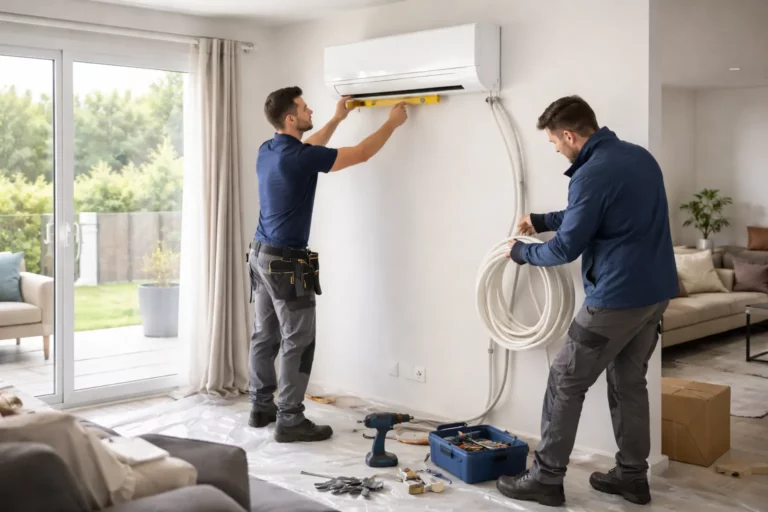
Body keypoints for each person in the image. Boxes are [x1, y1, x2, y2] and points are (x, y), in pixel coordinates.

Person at [497, 96, 678, 507]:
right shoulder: (638, 157)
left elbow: (566, 248)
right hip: (655, 294)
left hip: (616, 298)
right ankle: (632, 477)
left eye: (554, 143)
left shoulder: (591, 173)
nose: (556, 150)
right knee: (628, 383)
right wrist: (542, 220)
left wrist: (521, 253)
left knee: (565, 380)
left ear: (569, 135)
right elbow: (597, 213)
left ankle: (545, 479)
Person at [248, 87, 408, 443]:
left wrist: (337, 118)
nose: (310, 111)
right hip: (287, 262)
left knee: (265, 335)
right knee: (298, 341)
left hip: (260, 255)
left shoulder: (269, 149)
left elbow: (308, 148)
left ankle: (261, 407)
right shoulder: (299, 157)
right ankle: (290, 419)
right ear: (291, 118)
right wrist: (392, 123)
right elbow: (361, 153)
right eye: (305, 108)